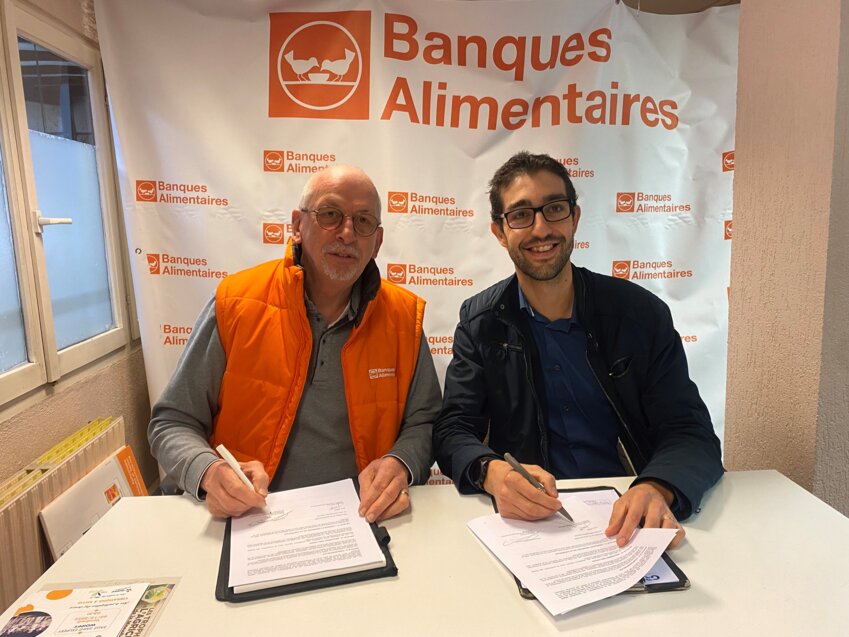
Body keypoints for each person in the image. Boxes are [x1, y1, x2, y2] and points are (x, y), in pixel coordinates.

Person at [433, 152, 723, 548]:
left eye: (554, 208)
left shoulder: (640, 314)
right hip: (532, 523)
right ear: (499, 232)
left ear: (575, 218)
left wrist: (657, 486)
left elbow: (690, 431)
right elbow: (453, 430)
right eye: (521, 215)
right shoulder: (480, 322)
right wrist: (491, 471)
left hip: (629, 518)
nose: (541, 229)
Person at [149, 165, 440, 522]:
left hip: (361, 520)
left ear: (377, 242)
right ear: (297, 226)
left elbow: (425, 423)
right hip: (249, 519)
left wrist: (402, 461)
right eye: (330, 214)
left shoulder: (403, 318)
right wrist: (209, 471)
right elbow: (172, 422)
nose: (347, 233)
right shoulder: (236, 303)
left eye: (363, 221)